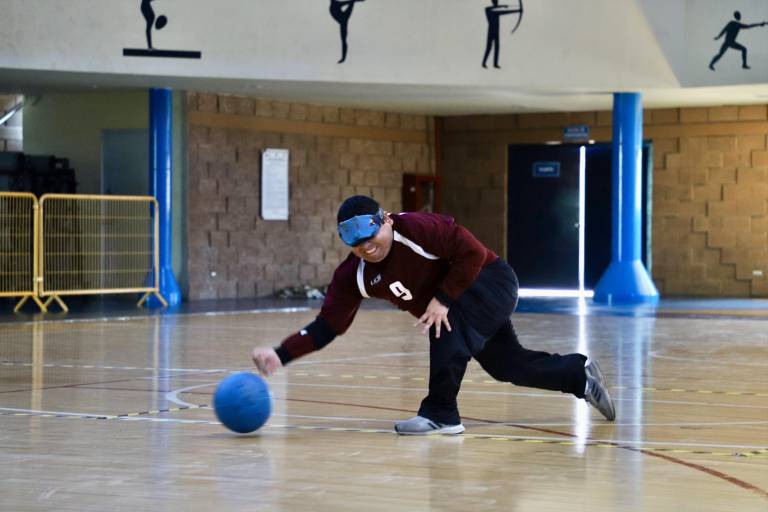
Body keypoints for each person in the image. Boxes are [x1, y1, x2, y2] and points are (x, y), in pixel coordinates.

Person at [252, 195, 616, 435]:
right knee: (508, 366)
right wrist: (280, 354)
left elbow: (472, 254)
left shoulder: (419, 228)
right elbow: (328, 326)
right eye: (356, 242)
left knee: (442, 321)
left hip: (492, 281)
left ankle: (441, 413)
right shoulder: (355, 275)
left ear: (386, 220)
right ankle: (577, 374)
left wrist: (441, 298)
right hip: (463, 306)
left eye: (371, 234)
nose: (367, 246)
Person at [482, 0, 521, 69]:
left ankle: (495, 64)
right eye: (495, 2)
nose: (496, 3)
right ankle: (484, 63)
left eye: (497, 2)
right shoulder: (489, 10)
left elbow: (502, 11)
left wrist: (517, 10)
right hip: (491, 31)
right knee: (489, 47)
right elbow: (504, 12)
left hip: (496, 31)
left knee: (497, 47)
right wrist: (517, 10)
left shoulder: (495, 10)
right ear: (493, 2)